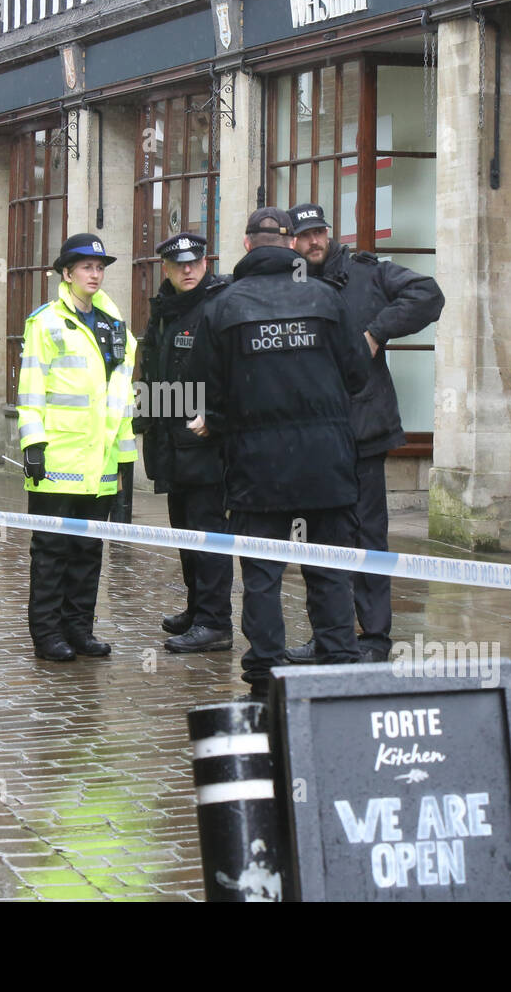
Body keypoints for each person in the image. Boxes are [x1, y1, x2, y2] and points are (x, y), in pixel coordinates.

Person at [187, 207, 370, 695]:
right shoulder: (326, 298)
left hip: (257, 470)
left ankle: (265, 672)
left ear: (246, 247)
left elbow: (206, 390)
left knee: (262, 575)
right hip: (326, 465)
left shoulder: (221, 307)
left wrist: (224, 422)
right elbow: (358, 375)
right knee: (329, 570)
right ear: (290, 246)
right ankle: (339, 664)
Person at [283, 202, 445, 666]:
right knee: (317, 542)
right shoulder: (291, 283)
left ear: (330, 233)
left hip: (363, 432)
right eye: (304, 235)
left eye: (319, 233)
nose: (314, 242)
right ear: (291, 240)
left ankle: (373, 637)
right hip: (312, 436)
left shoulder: (366, 272)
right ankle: (329, 636)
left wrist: (377, 331)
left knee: (369, 539)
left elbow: (427, 294)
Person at [18, 233, 138, 662]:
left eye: (100, 267)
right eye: (86, 266)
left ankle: (79, 630)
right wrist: (32, 443)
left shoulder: (114, 328)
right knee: (51, 554)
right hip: (56, 463)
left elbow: (123, 402)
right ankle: (47, 634)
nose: (95, 274)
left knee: (89, 552)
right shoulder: (46, 323)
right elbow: (30, 390)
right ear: (65, 274)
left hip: (101, 467)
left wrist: (126, 462)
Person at [134, 231, 233, 654]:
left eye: (194, 262)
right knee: (185, 532)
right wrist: (144, 423)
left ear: (206, 263)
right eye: (179, 265)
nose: (188, 270)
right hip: (171, 443)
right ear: (167, 269)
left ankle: (216, 622)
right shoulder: (164, 310)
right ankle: (197, 609)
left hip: (205, 445)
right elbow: (152, 371)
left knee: (209, 535)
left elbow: (233, 370)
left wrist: (215, 416)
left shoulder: (219, 305)